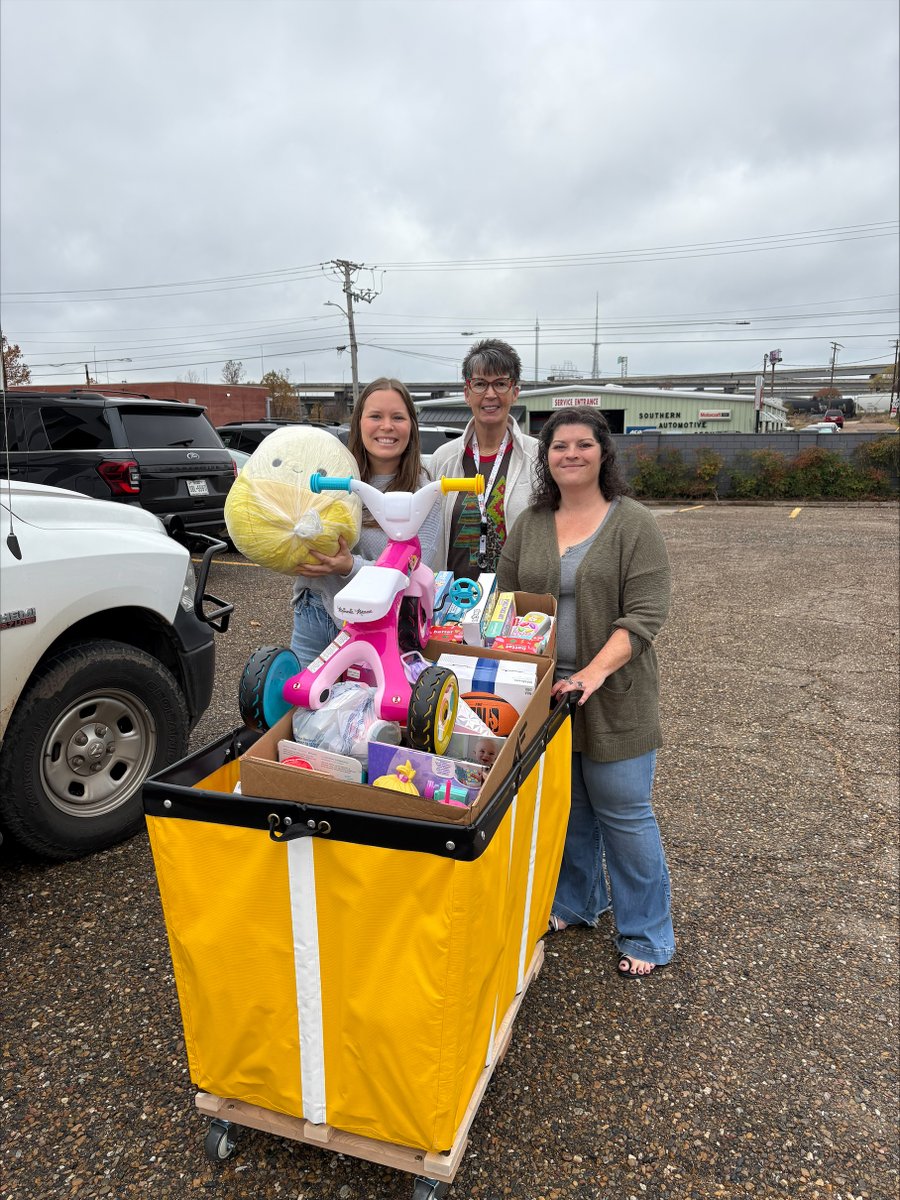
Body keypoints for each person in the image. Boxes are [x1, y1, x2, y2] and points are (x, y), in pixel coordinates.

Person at [496, 407, 674, 979]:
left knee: (624, 814)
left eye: (583, 444)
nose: (570, 454)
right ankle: (577, 902)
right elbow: (505, 601)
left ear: (603, 453)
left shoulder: (633, 524)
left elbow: (644, 616)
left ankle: (647, 934)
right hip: (546, 695)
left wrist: (591, 675)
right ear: (545, 458)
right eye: (558, 446)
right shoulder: (530, 522)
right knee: (567, 810)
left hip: (614, 693)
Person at [291, 378, 442, 669]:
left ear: (412, 426)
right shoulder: (329, 477)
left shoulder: (424, 495)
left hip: (378, 624)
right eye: (375, 416)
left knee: (365, 700)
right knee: (301, 695)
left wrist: (350, 566)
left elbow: (412, 575)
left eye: (397, 417)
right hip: (315, 609)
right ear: (358, 422)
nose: (386, 426)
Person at [430, 338, 538, 575]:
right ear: (467, 393)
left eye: (500, 384)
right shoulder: (443, 459)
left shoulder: (538, 457)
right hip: (453, 594)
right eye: (480, 384)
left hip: (516, 595)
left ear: (515, 392)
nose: (490, 394)